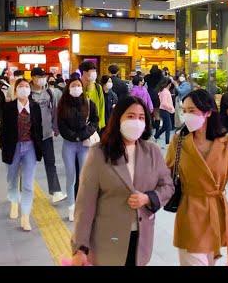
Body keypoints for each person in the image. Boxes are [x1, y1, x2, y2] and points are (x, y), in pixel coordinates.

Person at [71, 95, 175, 266]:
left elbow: (168, 186)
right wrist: (80, 247)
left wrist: (149, 198)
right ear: (118, 118)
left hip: (141, 238)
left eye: (141, 117)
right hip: (108, 241)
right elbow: (85, 204)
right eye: (131, 116)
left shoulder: (152, 151)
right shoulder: (99, 153)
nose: (136, 122)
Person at [165, 89, 228, 266]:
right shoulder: (179, 141)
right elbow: (164, 176)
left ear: (208, 112)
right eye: (184, 110)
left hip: (216, 215)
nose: (186, 115)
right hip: (190, 214)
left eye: (192, 110)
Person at [0, 78, 44, 231]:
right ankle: (13, 201)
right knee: (11, 179)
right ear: (15, 90)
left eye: (26, 86)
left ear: (29, 90)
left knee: (28, 184)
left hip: (30, 147)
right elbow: (4, 131)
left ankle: (25, 216)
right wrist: (4, 148)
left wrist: (41, 147)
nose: (24, 89)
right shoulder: (8, 108)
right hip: (13, 147)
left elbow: (39, 128)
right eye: (20, 86)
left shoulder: (36, 107)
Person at [57, 73, 99, 222]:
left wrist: (82, 135)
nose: (76, 88)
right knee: (70, 176)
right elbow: (61, 125)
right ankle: (71, 207)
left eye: (79, 85)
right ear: (68, 87)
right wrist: (73, 136)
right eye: (73, 85)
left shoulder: (88, 103)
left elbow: (95, 121)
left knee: (83, 177)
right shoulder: (63, 104)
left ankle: (82, 206)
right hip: (68, 145)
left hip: (84, 144)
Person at [30, 67, 66, 204]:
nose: (42, 79)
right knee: (28, 165)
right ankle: (24, 190)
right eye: (39, 76)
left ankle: (56, 191)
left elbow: (55, 112)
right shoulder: (28, 93)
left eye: (43, 76)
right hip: (31, 137)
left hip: (46, 135)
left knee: (50, 163)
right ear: (32, 78)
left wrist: (55, 128)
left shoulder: (50, 93)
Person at [79, 61, 106, 132]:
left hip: (94, 125)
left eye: (95, 71)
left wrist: (100, 124)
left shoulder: (98, 87)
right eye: (93, 71)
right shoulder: (77, 86)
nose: (95, 73)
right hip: (80, 125)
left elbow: (102, 106)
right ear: (84, 72)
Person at [154, 77, 175, 145]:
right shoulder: (166, 92)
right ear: (169, 84)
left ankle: (156, 136)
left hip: (163, 110)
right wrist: (171, 108)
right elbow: (164, 103)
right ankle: (167, 142)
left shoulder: (163, 91)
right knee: (168, 127)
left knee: (165, 126)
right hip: (165, 110)